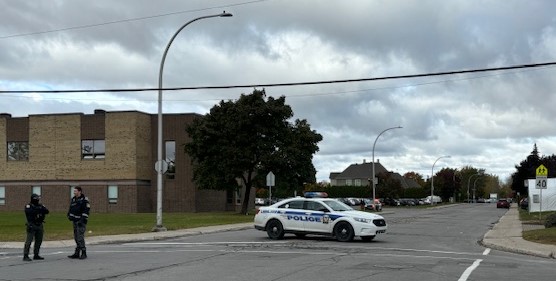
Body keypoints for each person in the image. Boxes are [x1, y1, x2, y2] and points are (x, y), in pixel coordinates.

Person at [23, 194, 49, 261]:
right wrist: (39, 210)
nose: (38, 200)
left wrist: (39, 209)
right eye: (36, 198)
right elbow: (30, 212)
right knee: (29, 241)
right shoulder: (28, 206)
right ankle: (25, 255)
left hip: (39, 224)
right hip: (31, 225)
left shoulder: (40, 205)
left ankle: (36, 254)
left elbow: (46, 211)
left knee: (39, 241)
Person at [67, 186, 90, 259]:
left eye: (75, 191)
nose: (74, 192)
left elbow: (86, 211)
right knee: (76, 237)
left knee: (80, 237)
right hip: (75, 221)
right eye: (74, 191)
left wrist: (82, 220)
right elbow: (71, 209)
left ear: (80, 191)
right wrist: (69, 215)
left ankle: (84, 252)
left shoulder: (84, 200)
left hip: (81, 222)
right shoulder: (73, 199)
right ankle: (77, 252)